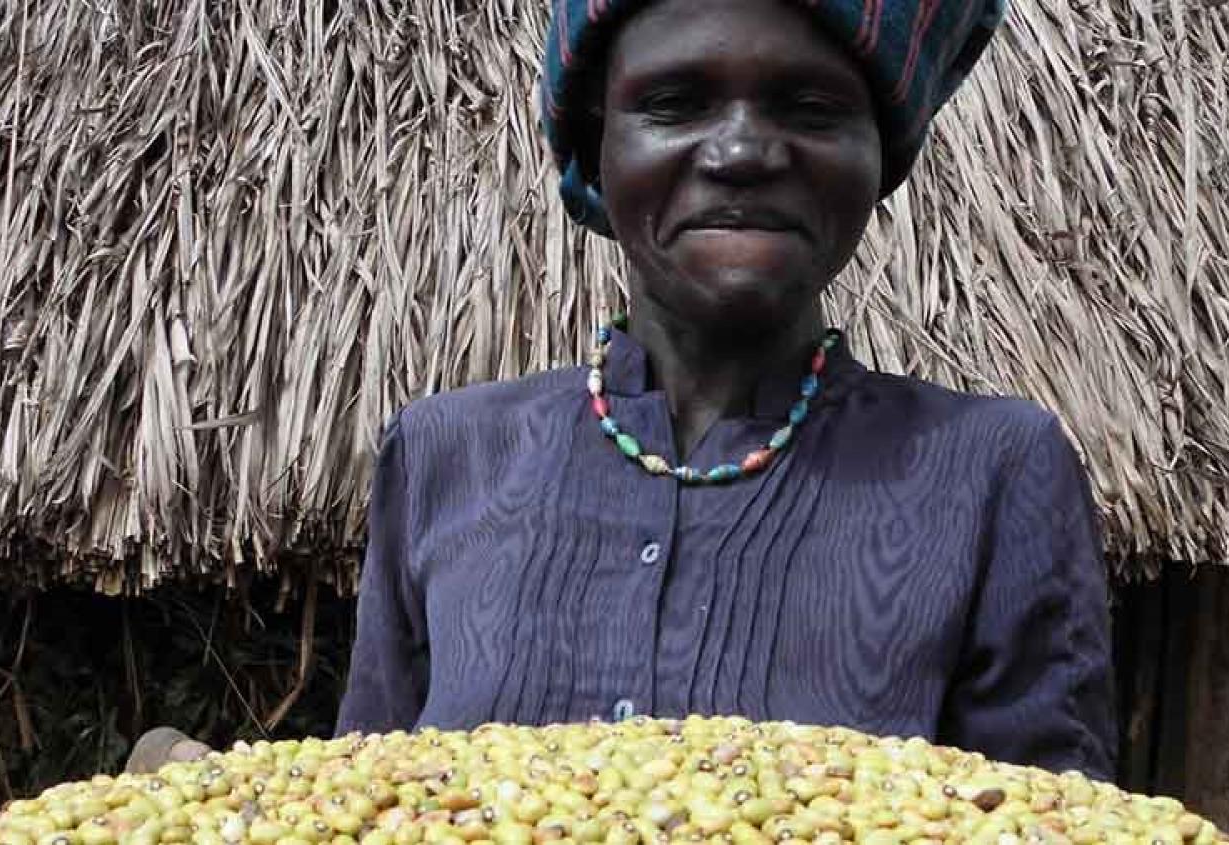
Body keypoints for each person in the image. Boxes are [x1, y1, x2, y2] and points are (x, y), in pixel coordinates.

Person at [137, 0, 1117, 781]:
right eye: (675, 103)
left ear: (880, 160)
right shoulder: (443, 456)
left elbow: (1045, 816)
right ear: (596, 152)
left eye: (811, 109)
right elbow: (375, 793)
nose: (741, 151)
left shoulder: (993, 471)